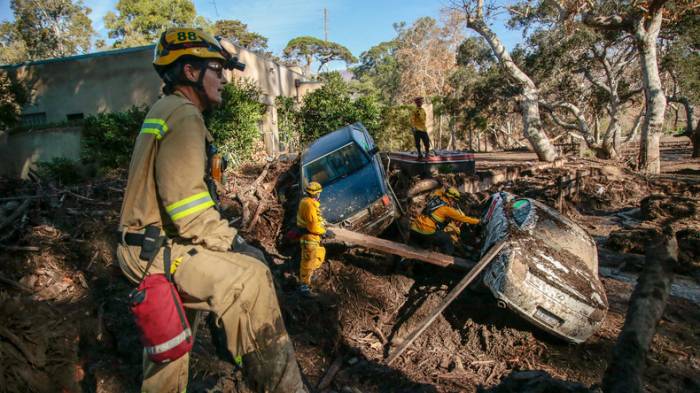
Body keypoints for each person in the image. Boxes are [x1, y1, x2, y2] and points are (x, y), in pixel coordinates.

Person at [116, 27, 308, 393]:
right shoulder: (185, 115)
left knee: (169, 349)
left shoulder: (165, 109)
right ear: (190, 72)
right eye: (216, 69)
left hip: (146, 245)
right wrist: (235, 244)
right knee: (251, 278)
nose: (223, 78)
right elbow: (187, 207)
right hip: (156, 251)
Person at [409, 186, 480, 255]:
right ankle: (447, 259)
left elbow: (440, 190)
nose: (454, 203)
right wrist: (478, 221)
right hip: (426, 233)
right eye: (454, 201)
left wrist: (447, 189)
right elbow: (464, 219)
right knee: (446, 239)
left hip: (414, 228)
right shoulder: (447, 210)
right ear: (451, 199)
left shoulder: (435, 195)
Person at [296, 181, 335, 297]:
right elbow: (313, 225)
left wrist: (325, 225)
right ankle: (304, 287)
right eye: (319, 193)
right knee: (308, 263)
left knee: (320, 254)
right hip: (309, 238)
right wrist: (325, 232)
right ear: (317, 193)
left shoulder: (306, 202)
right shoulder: (309, 205)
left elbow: (316, 220)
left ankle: (309, 277)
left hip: (312, 237)